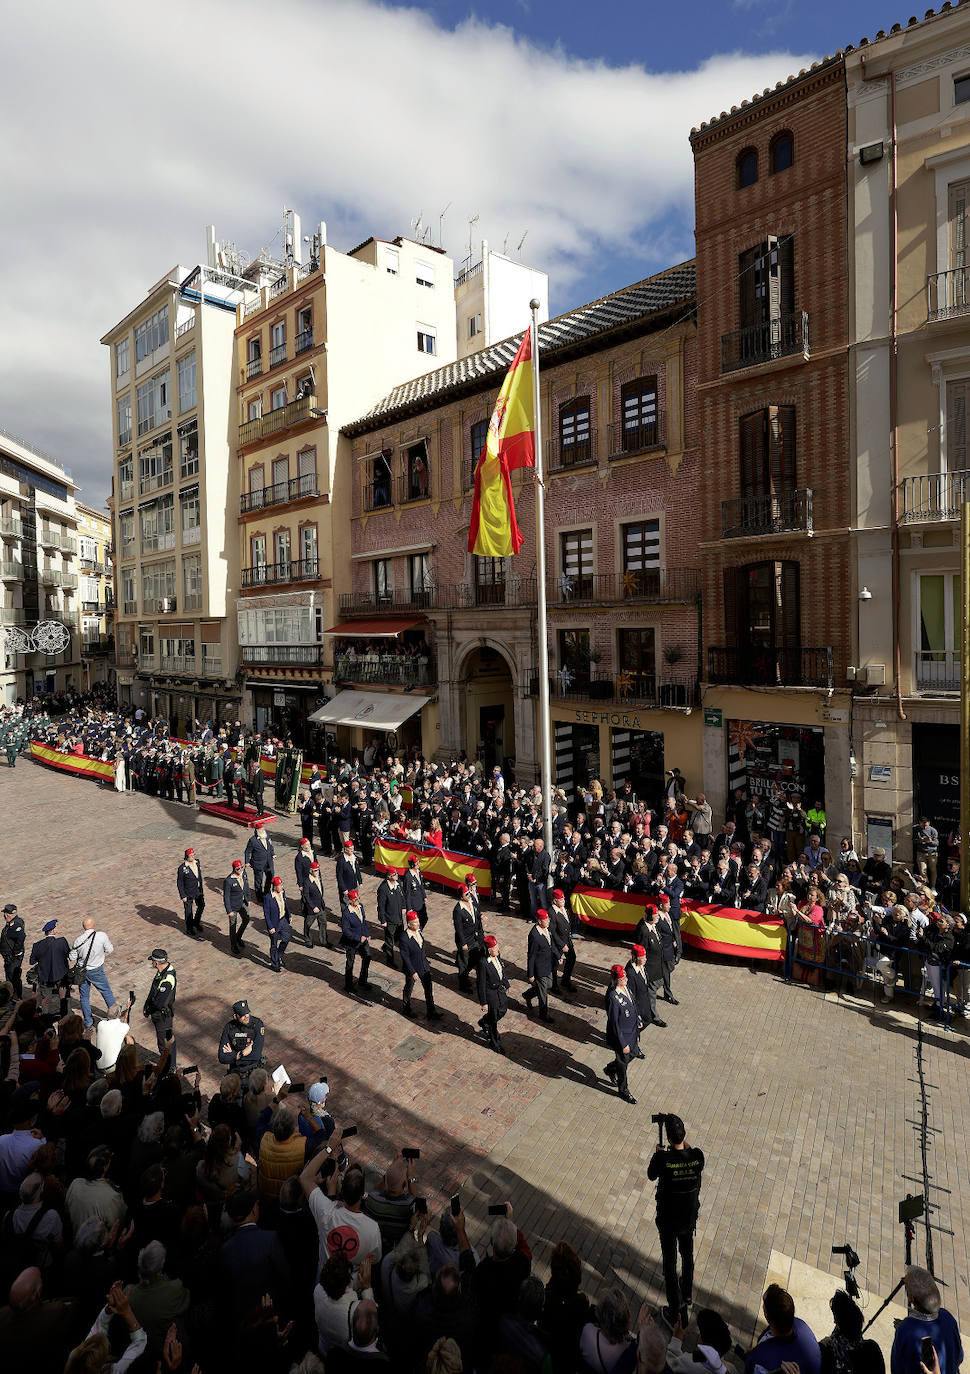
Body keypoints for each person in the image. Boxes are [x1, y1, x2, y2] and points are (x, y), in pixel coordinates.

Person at [647, 1113, 705, 1326]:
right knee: (687, 1255)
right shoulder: (697, 1157)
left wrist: (660, 1153)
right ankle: (687, 1293)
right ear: (685, 1134)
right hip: (688, 1220)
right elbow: (687, 1149)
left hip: (668, 1222)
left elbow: (651, 1175)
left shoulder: (663, 1160)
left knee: (670, 1264)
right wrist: (678, 1142)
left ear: (669, 1139)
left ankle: (675, 1311)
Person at [890, 1266, 963, 1374]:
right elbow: (959, 1356)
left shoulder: (905, 1329)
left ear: (912, 1298)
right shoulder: (947, 1316)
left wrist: (905, 1329)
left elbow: (897, 1369)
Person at [745, 1283, 821, 1374]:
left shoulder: (760, 1361)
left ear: (766, 1315)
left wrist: (756, 1353)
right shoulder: (802, 1326)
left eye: (764, 1304)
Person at [70, 916, 116, 1029]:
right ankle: (115, 1018)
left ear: (83, 927)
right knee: (106, 992)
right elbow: (110, 949)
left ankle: (88, 1021)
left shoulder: (78, 940)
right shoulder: (101, 936)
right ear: (93, 924)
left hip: (82, 972)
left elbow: (72, 957)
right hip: (97, 970)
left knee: (84, 997)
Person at [604, 964, 639, 1104]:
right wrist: (623, 1043)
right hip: (621, 1037)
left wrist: (638, 1019)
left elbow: (633, 1004)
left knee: (634, 1052)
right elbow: (614, 1023)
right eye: (623, 978)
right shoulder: (613, 997)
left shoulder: (626, 988)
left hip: (632, 1031)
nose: (626, 979)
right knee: (623, 1064)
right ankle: (623, 1090)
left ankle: (611, 1068)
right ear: (616, 979)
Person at [400, 910, 443, 1021]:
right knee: (409, 988)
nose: (418, 924)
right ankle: (406, 1008)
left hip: (424, 966)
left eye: (418, 921)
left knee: (428, 990)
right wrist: (412, 971)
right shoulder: (405, 938)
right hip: (413, 968)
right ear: (409, 924)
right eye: (415, 922)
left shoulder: (419, 931)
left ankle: (431, 1012)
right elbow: (405, 957)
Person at [142, 947, 177, 1067]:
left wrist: (149, 1009)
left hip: (163, 1016)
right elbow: (153, 991)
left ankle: (168, 1066)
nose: (152, 963)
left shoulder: (167, 979)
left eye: (152, 961)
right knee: (167, 1041)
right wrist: (146, 1005)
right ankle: (169, 1064)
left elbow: (159, 1003)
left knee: (165, 1044)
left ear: (156, 962)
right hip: (160, 1015)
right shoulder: (161, 972)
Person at [30, 918, 72, 1018]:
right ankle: (67, 1017)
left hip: (45, 976)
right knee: (65, 997)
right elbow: (68, 955)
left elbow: (32, 961)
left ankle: (45, 1020)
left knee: (45, 999)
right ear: (52, 930)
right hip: (61, 975)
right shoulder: (61, 942)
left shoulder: (37, 945)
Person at [477, 933, 510, 1053]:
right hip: (491, 993)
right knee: (494, 1019)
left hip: (500, 990)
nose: (498, 950)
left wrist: (506, 983)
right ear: (489, 950)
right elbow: (480, 983)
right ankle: (494, 1042)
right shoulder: (483, 963)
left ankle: (485, 1021)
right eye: (495, 948)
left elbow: (501, 969)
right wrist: (484, 1002)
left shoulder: (497, 956)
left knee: (503, 1010)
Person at [218, 999, 266, 1079]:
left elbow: (256, 1055)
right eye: (242, 1015)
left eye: (247, 1013)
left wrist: (233, 1055)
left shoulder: (257, 1025)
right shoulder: (229, 1028)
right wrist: (241, 1054)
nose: (246, 1016)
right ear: (235, 1016)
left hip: (254, 1073)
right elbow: (222, 1057)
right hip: (236, 1074)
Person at [523, 908, 555, 1022]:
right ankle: (543, 1014)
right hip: (539, 968)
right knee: (543, 994)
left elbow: (550, 944)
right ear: (539, 921)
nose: (548, 921)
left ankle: (528, 994)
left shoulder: (546, 929)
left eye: (548, 918)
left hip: (547, 964)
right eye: (545, 919)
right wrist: (531, 973)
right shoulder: (535, 935)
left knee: (549, 984)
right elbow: (531, 955)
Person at [341, 889, 371, 993]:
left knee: (367, 957)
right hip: (351, 942)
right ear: (350, 901)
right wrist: (358, 938)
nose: (358, 901)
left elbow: (363, 922)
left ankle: (363, 981)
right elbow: (346, 931)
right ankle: (348, 985)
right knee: (350, 963)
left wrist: (367, 934)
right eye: (355, 900)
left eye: (358, 898)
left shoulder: (360, 907)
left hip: (362, 939)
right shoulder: (346, 913)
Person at [376, 866, 407, 968]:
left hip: (399, 918)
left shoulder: (398, 885)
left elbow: (402, 897)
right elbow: (381, 906)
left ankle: (386, 948)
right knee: (390, 941)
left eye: (397, 873)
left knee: (400, 939)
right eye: (395, 874)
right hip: (389, 920)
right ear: (389, 876)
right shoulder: (383, 889)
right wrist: (383, 920)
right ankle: (390, 961)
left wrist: (403, 907)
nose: (397, 875)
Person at [452, 885, 480, 993]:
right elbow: (458, 928)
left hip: (473, 937)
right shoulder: (458, 910)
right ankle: (462, 984)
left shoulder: (471, 902)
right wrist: (463, 943)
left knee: (474, 959)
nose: (469, 895)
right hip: (464, 940)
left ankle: (466, 975)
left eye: (469, 893)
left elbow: (475, 914)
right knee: (464, 963)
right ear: (461, 896)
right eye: (466, 894)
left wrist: (477, 926)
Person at [549, 889, 576, 993]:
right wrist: (561, 945)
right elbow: (552, 932)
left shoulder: (563, 908)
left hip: (566, 939)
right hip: (558, 943)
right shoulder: (552, 912)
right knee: (554, 965)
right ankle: (554, 986)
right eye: (561, 899)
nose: (564, 901)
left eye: (564, 898)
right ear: (555, 901)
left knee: (572, 958)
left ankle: (565, 980)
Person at [223, 858, 251, 957]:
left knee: (246, 919)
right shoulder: (229, 880)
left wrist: (248, 899)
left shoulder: (243, 874)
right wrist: (229, 910)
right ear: (234, 869)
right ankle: (233, 945)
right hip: (233, 906)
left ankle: (238, 936)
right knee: (232, 925)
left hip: (242, 903)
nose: (240, 869)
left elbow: (246, 886)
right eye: (238, 868)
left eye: (241, 867)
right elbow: (226, 896)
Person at [264, 875, 291, 974]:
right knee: (274, 943)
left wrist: (289, 915)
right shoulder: (268, 897)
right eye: (279, 885)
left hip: (283, 920)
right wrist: (270, 927)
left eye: (281, 884)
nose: (281, 887)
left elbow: (285, 904)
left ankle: (278, 956)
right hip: (274, 923)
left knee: (287, 938)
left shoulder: (283, 893)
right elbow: (266, 913)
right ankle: (274, 964)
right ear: (274, 887)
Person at [176, 848, 205, 940]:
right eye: (191, 855)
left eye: (194, 854)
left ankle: (196, 922)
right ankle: (189, 928)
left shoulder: (197, 862)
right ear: (187, 856)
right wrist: (182, 895)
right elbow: (180, 882)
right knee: (188, 911)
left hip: (198, 890)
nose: (193, 856)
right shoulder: (182, 868)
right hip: (188, 892)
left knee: (201, 905)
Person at [244, 819, 275, 901]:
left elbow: (270, 846)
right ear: (257, 831)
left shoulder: (267, 835)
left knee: (270, 877)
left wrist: (273, 854)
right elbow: (247, 851)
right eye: (260, 830)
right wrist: (247, 861)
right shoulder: (253, 840)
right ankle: (259, 896)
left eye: (263, 829)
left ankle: (267, 893)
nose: (262, 831)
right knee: (258, 880)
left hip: (268, 862)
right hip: (258, 863)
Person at [302, 860, 330, 948]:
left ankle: (324, 941)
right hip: (312, 908)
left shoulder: (318, 878)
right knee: (308, 924)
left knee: (323, 923)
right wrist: (313, 907)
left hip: (320, 906)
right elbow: (306, 895)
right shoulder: (307, 881)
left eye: (318, 870)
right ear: (311, 871)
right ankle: (308, 940)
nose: (317, 872)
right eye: (315, 870)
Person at [1, 902, 26, 998]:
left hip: (13, 957)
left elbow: (21, 936)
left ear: (8, 915)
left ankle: (16, 997)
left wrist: (17, 951)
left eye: (5, 914)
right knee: (10, 976)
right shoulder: (13, 922)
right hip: (9, 957)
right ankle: (12, 996)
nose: (4, 916)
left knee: (13, 977)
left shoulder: (16, 924)